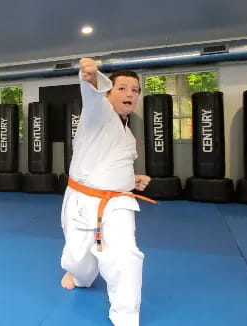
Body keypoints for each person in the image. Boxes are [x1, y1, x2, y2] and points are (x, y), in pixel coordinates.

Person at [60, 58, 154, 326]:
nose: (130, 94)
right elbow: (92, 95)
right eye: (123, 88)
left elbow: (111, 162)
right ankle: (78, 276)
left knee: (127, 255)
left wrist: (131, 179)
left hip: (118, 202)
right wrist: (90, 77)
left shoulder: (126, 129)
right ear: (109, 92)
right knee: (79, 259)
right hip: (81, 200)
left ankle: (126, 316)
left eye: (135, 90)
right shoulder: (97, 113)